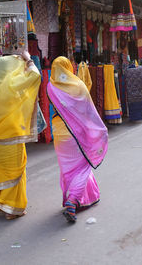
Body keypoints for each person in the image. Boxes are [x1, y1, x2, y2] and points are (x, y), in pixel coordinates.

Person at [0, 51, 41, 220]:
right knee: (16, 170)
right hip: (10, 136)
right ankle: (12, 208)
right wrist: (28, 59)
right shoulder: (11, 86)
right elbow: (35, 76)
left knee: (4, 167)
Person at [47, 56, 108, 223]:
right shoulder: (79, 85)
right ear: (68, 68)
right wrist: (97, 130)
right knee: (83, 166)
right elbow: (88, 111)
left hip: (59, 132)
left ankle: (80, 198)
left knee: (68, 168)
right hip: (75, 133)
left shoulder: (50, 86)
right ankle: (73, 202)